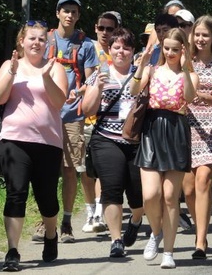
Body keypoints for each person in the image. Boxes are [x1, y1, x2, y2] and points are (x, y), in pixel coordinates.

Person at [0, 20, 68, 271]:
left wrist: (46, 77)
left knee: (46, 198)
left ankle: (50, 234)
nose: (37, 43)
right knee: (16, 193)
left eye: (42, 39)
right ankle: (12, 251)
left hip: (48, 142)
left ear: (47, 44)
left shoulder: (55, 68)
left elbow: (59, 102)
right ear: (21, 42)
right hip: (14, 140)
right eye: (32, 38)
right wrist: (12, 72)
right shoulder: (9, 65)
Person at [132, 28, 199, 269]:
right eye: (167, 48)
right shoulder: (153, 70)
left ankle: (169, 252)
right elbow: (133, 90)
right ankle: (156, 232)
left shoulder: (188, 73)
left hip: (176, 130)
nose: (170, 52)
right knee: (151, 194)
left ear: (183, 50)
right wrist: (140, 66)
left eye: (175, 49)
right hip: (152, 129)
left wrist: (186, 67)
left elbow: (190, 97)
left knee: (171, 196)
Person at [33, 0, 97, 244]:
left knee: (70, 171)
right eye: (65, 11)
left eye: (74, 12)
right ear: (57, 13)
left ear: (78, 16)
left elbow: (91, 79)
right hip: (45, 114)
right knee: (44, 172)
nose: (69, 15)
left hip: (72, 115)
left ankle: (67, 222)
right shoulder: (44, 40)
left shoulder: (86, 45)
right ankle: (45, 221)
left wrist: (82, 92)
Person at [81, 27, 144, 259]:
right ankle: (116, 239)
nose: (121, 52)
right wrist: (97, 86)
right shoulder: (99, 73)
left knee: (139, 194)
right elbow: (86, 109)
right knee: (111, 188)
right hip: (105, 138)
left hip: (136, 141)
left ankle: (136, 220)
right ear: (109, 50)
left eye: (126, 47)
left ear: (133, 51)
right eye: (116, 47)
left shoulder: (141, 73)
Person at [182, 16, 212, 260]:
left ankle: (200, 241)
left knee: (204, 181)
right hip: (186, 125)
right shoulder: (185, 61)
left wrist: (203, 97)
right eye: (196, 34)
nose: (200, 39)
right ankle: (200, 229)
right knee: (188, 189)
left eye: (205, 35)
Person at [84, 11, 121, 234]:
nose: (105, 33)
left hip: (113, 123)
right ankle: (93, 213)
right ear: (95, 28)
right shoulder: (88, 48)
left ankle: (100, 212)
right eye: (102, 28)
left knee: (104, 172)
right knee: (88, 171)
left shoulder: (122, 51)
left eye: (110, 29)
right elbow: (85, 80)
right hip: (88, 119)